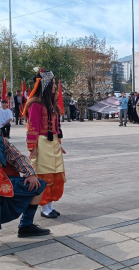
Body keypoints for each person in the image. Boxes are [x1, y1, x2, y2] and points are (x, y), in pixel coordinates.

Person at [23, 70, 66, 218]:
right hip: (41, 143)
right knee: (44, 175)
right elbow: (32, 127)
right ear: (46, 85)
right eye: (53, 83)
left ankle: (50, 205)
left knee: (55, 174)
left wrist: (58, 143)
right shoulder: (35, 104)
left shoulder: (51, 103)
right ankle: (44, 207)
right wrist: (32, 147)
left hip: (53, 142)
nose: (55, 86)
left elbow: (55, 126)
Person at [0, 135, 50, 237]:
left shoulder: (1, 139)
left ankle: (26, 226)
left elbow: (16, 156)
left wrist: (30, 173)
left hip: (2, 181)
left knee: (38, 185)